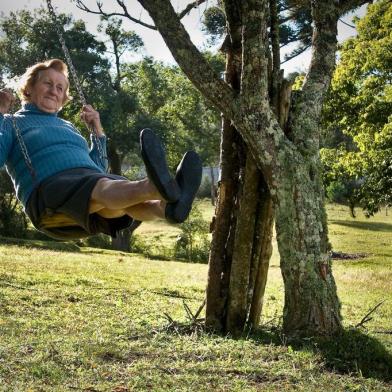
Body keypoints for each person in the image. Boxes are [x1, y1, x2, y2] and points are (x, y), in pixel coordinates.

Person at [0, 59, 202, 240]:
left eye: (60, 88)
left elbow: (97, 166)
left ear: (63, 99)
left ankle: (167, 209)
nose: (54, 90)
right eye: (47, 83)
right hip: (46, 195)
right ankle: (157, 187)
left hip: (89, 189)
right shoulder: (10, 123)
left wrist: (97, 131)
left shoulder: (67, 127)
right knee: (105, 188)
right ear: (28, 89)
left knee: (117, 202)